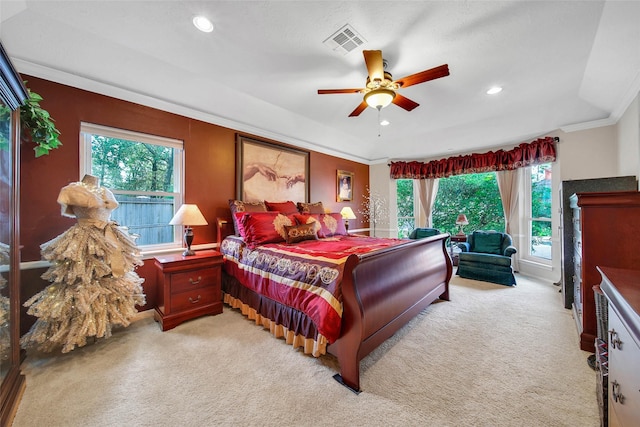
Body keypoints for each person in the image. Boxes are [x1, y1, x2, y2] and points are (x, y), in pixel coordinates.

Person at [21, 174, 146, 353]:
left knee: (109, 280)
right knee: (82, 282)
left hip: (109, 237)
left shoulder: (105, 192)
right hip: (85, 239)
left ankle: (102, 326)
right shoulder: (73, 190)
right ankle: (83, 331)